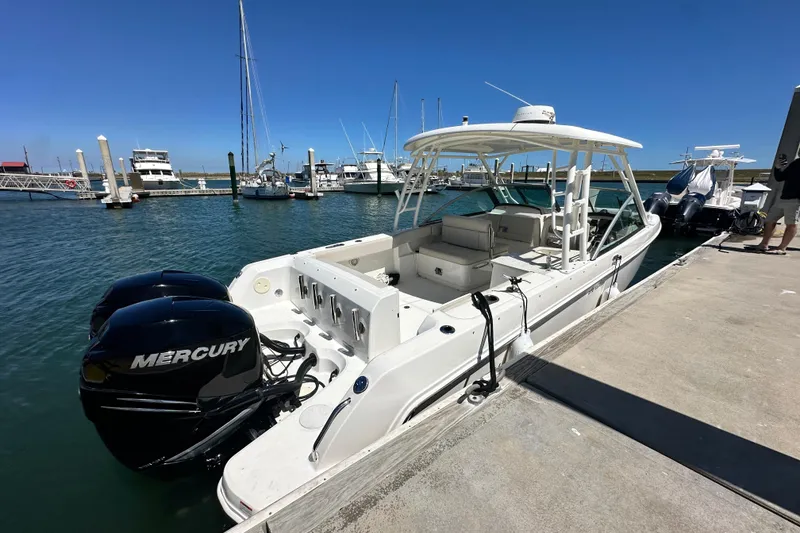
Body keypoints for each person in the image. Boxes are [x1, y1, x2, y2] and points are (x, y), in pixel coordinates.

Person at [754, 152, 800, 254]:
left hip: (795, 200)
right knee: (769, 220)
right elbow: (780, 177)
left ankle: (782, 248)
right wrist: (778, 168)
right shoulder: (795, 163)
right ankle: (764, 244)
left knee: (791, 224)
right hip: (783, 198)